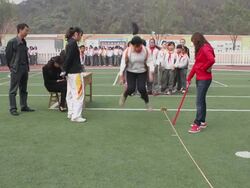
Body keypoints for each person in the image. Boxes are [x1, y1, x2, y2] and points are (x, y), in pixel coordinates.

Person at [187, 32, 215, 133]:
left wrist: (204, 68)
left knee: (199, 101)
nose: (193, 44)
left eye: (193, 42)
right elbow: (196, 64)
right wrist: (189, 77)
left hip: (205, 79)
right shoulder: (200, 49)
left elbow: (211, 59)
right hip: (199, 78)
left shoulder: (205, 48)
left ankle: (197, 123)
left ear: (197, 41)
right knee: (201, 100)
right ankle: (202, 121)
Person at [5, 23, 35, 116]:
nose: (27, 32)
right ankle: (13, 108)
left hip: (24, 68)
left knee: (24, 89)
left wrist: (26, 67)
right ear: (20, 30)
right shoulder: (12, 42)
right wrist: (12, 67)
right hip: (16, 69)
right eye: (26, 30)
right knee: (13, 90)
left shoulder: (24, 41)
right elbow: (8, 56)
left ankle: (24, 106)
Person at [119, 36, 153, 111]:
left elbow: (150, 62)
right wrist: (121, 76)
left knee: (142, 88)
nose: (138, 48)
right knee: (131, 89)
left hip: (142, 71)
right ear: (132, 45)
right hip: (131, 71)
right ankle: (124, 96)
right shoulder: (127, 51)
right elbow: (123, 64)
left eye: (139, 46)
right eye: (136, 47)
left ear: (142, 44)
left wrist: (150, 73)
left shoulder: (146, 51)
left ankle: (147, 103)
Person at [62, 27, 86, 123]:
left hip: (71, 73)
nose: (81, 37)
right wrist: (64, 70)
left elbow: (67, 59)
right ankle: (76, 116)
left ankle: (71, 113)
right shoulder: (72, 44)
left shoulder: (69, 43)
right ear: (76, 34)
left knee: (71, 93)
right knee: (79, 94)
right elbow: (69, 59)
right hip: (75, 73)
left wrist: (65, 71)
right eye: (80, 35)